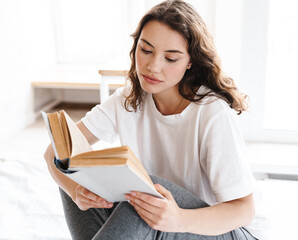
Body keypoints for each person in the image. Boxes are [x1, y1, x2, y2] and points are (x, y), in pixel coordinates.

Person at [44, 0, 269, 239]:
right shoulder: (129, 98)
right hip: (163, 223)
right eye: (146, 50)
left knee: (145, 195)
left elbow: (244, 210)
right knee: (74, 170)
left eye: (171, 58)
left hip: (223, 229)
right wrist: (76, 191)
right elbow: (54, 152)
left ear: (190, 61)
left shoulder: (213, 114)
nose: (153, 66)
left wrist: (179, 219)